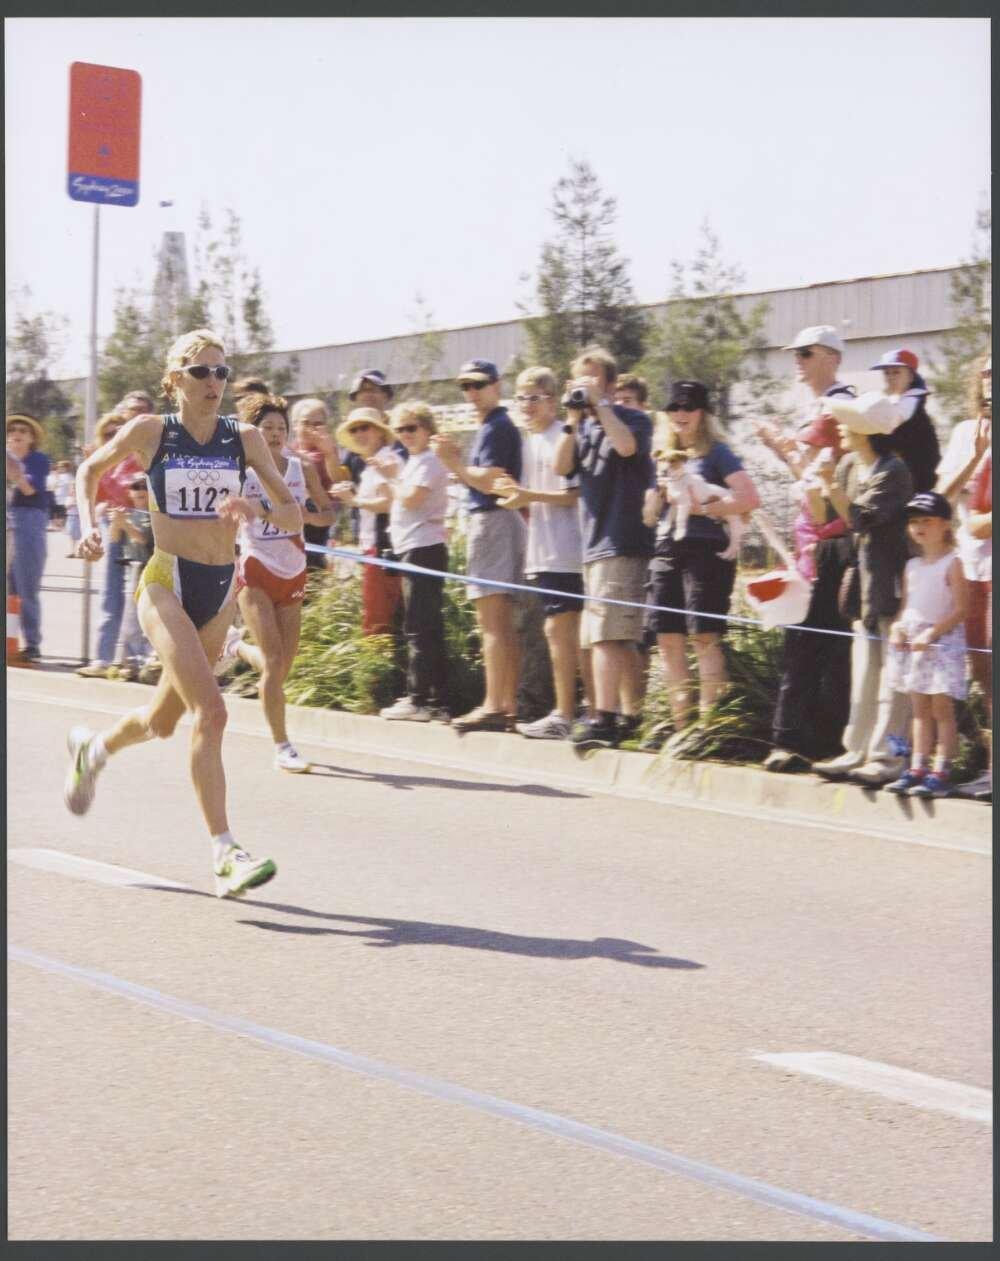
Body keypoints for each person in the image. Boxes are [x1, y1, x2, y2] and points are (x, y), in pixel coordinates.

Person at [63, 328, 302, 899]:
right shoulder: (152, 431)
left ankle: (92, 751)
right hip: (165, 583)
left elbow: (295, 518)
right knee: (213, 713)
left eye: (222, 372)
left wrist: (256, 505)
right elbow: (88, 472)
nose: (214, 382)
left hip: (218, 594)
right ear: (175, 382)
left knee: (165, 721)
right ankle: (225, 852)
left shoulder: (243, 438)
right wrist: (90, 527)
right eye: (202, 372)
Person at [755, 325, 857, 773]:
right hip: (809, 540)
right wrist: (783, 448)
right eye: (795, 352)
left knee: (825, 646)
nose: (797, 359)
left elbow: (817, 471)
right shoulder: (818, 407)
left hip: (832, 540)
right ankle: (797, 739)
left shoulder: (839, 405)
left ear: (831, 356)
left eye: (805, 352)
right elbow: (804, 470)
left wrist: (781, 446)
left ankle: (817, 741)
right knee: (802, 642)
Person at [219, 393, 335, 770]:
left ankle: (236, 649)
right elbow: (223, 515)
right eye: (267, 427)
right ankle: (282, 746)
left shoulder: (301, 469)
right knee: (272, 660)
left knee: (282, 664)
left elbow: (323, 516)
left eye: (281, 428)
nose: (274, 434)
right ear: (254, 432)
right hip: (255, 566)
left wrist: (299, 513)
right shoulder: (241, 470)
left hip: (293, 567)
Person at [643, 380, 760, 737]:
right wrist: (658, 493)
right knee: (667, 638)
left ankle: (709, 730)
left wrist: (704, 508)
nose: (681, 414)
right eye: (674, 408)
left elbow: (749, 498)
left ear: (703, 413)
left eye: (688, 407)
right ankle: (681, 728)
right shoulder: (661, 454)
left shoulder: (717, 453)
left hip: (707, 551)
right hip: (667, 547)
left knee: (704, 637)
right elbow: (649, 516)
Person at [552, 346, 655, 749]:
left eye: (593, 379)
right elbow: (562, 467)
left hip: (622, 538)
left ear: (610, 384)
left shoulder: (632, 418)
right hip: (594, 544)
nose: (584, 388)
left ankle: (606, 718)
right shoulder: (583, 428)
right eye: (578, 380)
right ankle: (630, 714)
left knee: (608, 636)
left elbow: (628, 447)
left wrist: (601, 406)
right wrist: (572, 420)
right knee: (614, 634)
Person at [810, 392, 913, 786]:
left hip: (889, 581)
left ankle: (888, 759)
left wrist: (828, 484)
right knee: (865, 668)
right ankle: (855, 749)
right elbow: (824, 516)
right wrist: (810, 480)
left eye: (846, 421)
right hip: (862, 582)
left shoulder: (893, 471)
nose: (839, 427)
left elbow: (861, 518)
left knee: (892, 674)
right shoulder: (850, 463)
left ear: (866, 431)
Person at [431, 359, 526, 733]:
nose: (471, 393)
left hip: (492, 521)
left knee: (492, 621)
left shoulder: (497, 427)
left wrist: (452, 462)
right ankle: (507, 703)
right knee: (500, 621)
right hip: (503, 523)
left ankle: (494, 704)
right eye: (465, 387)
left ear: (496, 385)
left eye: (478, 385)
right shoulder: (496, 426)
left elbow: (489, 482)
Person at [492, 366, 585, 740]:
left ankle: (567, 713)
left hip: (568, 549)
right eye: (521, 398)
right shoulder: (529, 442)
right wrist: (516, 495)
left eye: (535, 398)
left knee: (562, 632)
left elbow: (575, 495)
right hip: (543, 550)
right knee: (557, 633)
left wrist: (529, 496)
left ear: (552, 401)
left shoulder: (561, 436)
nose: (527, 406)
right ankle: (571, 711)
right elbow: (530, 497)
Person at [884, 492, 969, 798]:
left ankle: (941, 770)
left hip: (942, 642)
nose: (919, 526)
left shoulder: (953, 562)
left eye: (927, 520)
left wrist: (932, 634)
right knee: (918, 708)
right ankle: (917, 767)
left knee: (941, 708)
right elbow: (907, 605)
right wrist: (897, 628)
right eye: (914, 521)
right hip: (914, 642)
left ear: (945, 524)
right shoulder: (912, 565)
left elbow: (961, 609)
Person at [936, 351, 992, 800]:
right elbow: (941, 497)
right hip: (972, 564)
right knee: (982, 670)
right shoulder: (963, 432)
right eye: (988, 373)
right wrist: (974, 458)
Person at [377, 401, 451, 721]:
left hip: (424, 548)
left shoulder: (429, 461)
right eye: (400, 429)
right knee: (424, 625)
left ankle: (419, 698)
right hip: (413, 546)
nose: (406, 434)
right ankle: (436, 699)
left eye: (412, 428)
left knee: (420, 626)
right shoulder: (416, 460)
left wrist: (393, 477)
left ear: (426, 428)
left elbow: (412, 498)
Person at [77, 392, 157, 678]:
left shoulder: (150, 449)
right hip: (116, 524)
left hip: (143, 526)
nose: (133, 416)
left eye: (140, 411)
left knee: (140, 595)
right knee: (110, 594)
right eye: (129, 412)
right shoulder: (115, 454)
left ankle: (138, 659)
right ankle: (104, 658)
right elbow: (97, 492)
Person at [329, 407, 404, 634]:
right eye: (354, 429)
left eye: (365, 427)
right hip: (379, 548)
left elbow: (389, 503)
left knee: (376, 622)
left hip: (382, 548)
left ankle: (379, 665)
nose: (359, 433)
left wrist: (354, 501)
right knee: (385, 619)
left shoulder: (384, 461)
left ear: (380, 432)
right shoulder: (377, 461)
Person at [6, 413, 51, 661]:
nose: (17, 433)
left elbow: (28, 488)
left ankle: (32, 643)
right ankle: (10, 641)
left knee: (26, 587)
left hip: (28, 520)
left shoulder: (38, 460)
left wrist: (12, 466)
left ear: (32, 438)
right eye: (13, 429)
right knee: (8, 589)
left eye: (24, 430)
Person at [869, 348, 940, 493]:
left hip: (919, 485)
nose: (890, 377)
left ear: (911, 376)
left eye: (896, 372)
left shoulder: (912, 402)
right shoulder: (895, 400)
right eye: (887, 373)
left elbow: (891, 426)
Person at [106, 476, 155, 680]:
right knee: (130, 618)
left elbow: (143, 539)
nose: (139, 490)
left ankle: (148, 660)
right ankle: (131, 660)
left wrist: (124, 523)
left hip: (149, 568)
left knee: (146, 617)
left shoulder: (153, 515)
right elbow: (115, 538)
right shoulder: (129, 513)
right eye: (135, 487)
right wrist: (117, 523)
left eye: (144, 486)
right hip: (131, 568)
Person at [288, 397, 343, 571]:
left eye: (317, 423)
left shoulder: (327, 451)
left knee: (312, 570)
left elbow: (337, 480)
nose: (311, 428)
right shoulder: (290, 448)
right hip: (289, 519)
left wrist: (329, 454)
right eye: (305, 423)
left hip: (316, 521)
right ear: (295, 425)